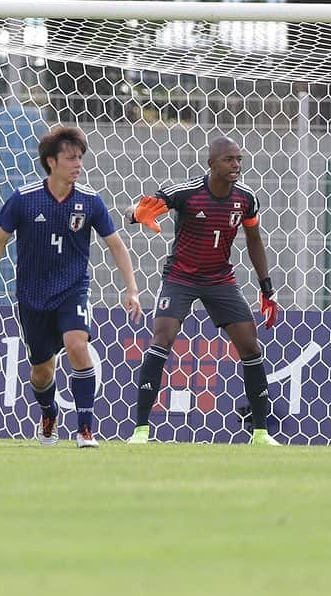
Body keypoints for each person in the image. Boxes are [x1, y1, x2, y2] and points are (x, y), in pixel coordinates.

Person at [0, 126, 143, 448]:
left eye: (80, 158)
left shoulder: (90, 201)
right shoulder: (23, 199)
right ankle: (48, 415)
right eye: (70, 158)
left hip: (72, 290)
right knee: (41, 372)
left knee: (78, 345)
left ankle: (85, 429)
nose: (78, 164)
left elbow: (116, 245)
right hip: (32, 296)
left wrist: (131, 288)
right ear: (51, 162)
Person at [125, 136, 281, 446]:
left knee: (250, 346)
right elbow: (137, 209)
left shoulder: (246, 198)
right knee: (163, 338)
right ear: (212, 164)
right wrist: (136, 213)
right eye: (229, 160)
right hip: (181, 276)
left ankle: (261, 434)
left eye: (238, 159)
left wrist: (266, 288)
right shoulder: (186, 193)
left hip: (220, 279)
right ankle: (140, 431)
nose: (236, 165)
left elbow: (254, 241)